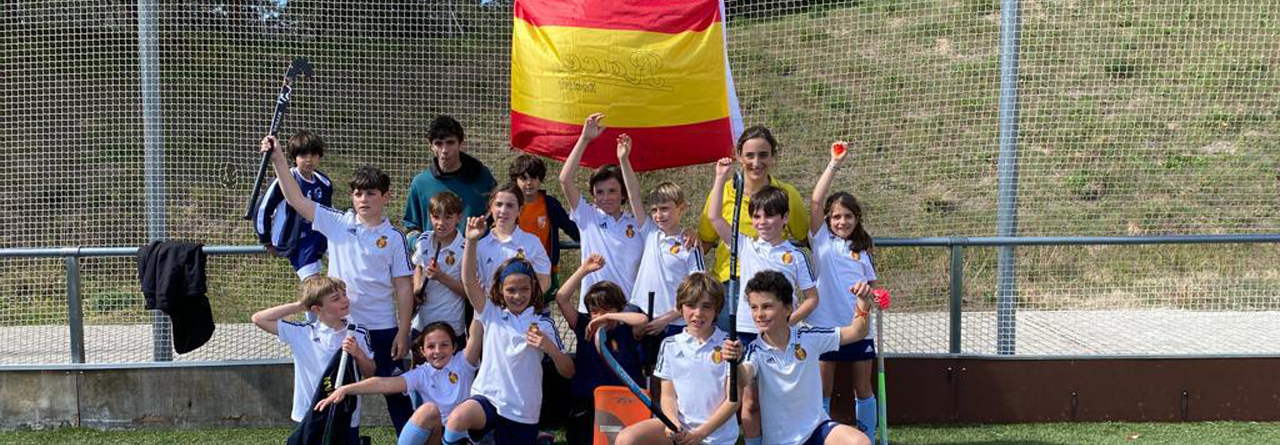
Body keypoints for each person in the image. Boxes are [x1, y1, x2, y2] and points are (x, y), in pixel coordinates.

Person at [262, 135, 417, 433]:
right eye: (358, 193)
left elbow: (403, 287)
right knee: (336, 396)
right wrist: (279, 159)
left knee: (395, 393)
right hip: (342, 329)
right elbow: (296, 199)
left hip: (382, 327)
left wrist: (403, 330)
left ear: (386, 196)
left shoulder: (394, 238)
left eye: (371, 193)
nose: (364, 199)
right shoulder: (338, 222)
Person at [705, 157, 819, 443]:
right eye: (757, 217)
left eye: (769, 216)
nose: (762, 222)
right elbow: (715, 218)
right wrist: (720, 177)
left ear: (783, 219)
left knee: (778, 398)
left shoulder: (796, 255)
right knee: (750, 403)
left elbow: (812, 299)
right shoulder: (744, 245)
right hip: (746, 331)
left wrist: (787, 321)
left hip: (780, 337)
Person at [443, 216, 574, 444]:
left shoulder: (543, 324)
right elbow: (468, 282)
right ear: (500, 290)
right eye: (511, 290)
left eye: (524, 289)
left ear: (533, 288)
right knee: (457, 419)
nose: (517, 295)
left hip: (522, 411)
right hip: (487, 398)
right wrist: (471, 241)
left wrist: (550, 348)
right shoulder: (491, 312)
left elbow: (569, 371)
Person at [724, 271, 873, 445]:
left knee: (859, 442)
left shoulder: (809, 337)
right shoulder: (754, 351)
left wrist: (863, 301)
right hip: (781, 441)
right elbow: (743, 378)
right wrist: (737, 360)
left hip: (818, 429)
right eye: (754, 307)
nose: (759, 314)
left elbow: (858, 332)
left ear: (788, 308)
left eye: (767, 306)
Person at [698, 126, 809, 332]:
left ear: (773, 156)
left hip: (773, 285)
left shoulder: (787, 194)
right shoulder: (721, 193)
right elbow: (704, 241)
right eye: (749, 155)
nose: (756, 163)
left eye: (763, 155)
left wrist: (855, 244)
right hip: (732, 283)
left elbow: (807, 238)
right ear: (739, 156)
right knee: (734, 354)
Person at [615, 272, 741, 445]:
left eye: (706, 306)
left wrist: (699, 434)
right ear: (680, 308)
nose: (698, 313)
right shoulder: (670, 345)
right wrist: (672, 422)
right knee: (626, 439)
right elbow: (668, 396)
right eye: (691, 305)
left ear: (717, 309)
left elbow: (733, 401)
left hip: (715, 436)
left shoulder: (729, 345)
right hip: (679, 429)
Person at [809, 142, 881, 436]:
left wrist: (872, 294)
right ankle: (821, 436)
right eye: (836, 216)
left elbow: (875, 292)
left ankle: (868, 435)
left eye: (848, 216)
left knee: (862, 388)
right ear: (827, 219)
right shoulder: (821, 240)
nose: (842, 221)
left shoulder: (862, 249)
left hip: (859, 326)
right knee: (823, 388)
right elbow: (815, 200)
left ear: (857, 219)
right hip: (824, 327)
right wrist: (833, 164)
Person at [251, 276, 376, 444]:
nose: (344, 300)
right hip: (308, 412)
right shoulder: (302, 332)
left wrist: (358, 353)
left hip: (345, 412)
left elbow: (370, 372)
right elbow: (258, 319)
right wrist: (302, 305)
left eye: (344, 294)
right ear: (317, 309)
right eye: (336, 298)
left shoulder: (357, 332)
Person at [315, 321, 481, 445]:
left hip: (460, 436)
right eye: (431, 346)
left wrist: (479, 295)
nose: (437, 351)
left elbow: (477, 330)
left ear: (454, 347)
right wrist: (345, 389)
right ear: (423, 351)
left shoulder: (464, 363)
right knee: (428, 410)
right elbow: (384, 384)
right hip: (435, 436)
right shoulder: (421, 373)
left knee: (457, 414)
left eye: (444, 345)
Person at [554, 254, 648, 445]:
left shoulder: (626, 329)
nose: (599, 316)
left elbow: (643, 320)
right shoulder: (584, 326)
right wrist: (584, 270)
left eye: (606, 310)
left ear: (619, 309)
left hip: (624, 401)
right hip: (589, 401)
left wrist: (612, 318)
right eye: (595, 312)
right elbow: (561, 298)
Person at [558, 114, 646, 313]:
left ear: (623, 193)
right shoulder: (587, 217)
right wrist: (584, 139)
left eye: (612, 191)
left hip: (629, 311)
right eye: (599, 192)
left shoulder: (637, 222)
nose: (606, 197)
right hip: (592, 311)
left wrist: (623, 159)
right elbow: (565, 180)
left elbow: (636, 195)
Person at [404, 115, 498, 245]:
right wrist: (420, 246)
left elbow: (496, 218)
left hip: (474, 257)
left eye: (450, 142)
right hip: (433, 260)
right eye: (438, 143)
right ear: (430, 145)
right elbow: (412, 226)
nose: (444, 150)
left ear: (461, 143)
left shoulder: (482, 177)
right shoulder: (420, 183)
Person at [254, 130, 332, 279]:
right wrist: (266, 241)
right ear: (294, 157)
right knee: (313, 285)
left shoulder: (324, 182)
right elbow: (262, 210)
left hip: (322, 236)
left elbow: (328, 211)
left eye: (314, 155)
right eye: (303, 155)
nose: (309, 160)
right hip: (298, 241)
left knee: (344, 270)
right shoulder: (284, 181)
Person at [510, 153, 581, 293]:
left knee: (541, 309)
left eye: (534, 177)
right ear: (515, 180)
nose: (529, 183)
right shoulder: (509, 204)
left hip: (544, 271)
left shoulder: (550, 204)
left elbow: (572, 229)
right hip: (513, 270)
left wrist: (593, 237)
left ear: (540, 179)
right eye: (523, 178)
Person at [474, 183, 553, 296]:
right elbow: (471, 284)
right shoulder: (479, 246)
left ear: (520, 210)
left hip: (521, 312)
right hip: (487, 311)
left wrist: (521, 302)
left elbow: (544, 280)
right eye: (498, 204)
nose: (503, 210)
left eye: (510, 205)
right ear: (491, 207)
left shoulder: (532, 243)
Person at [411, 191, 469, 339]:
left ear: (458, 218)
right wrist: (417, 288)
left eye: (448, 217)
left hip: (451, 327)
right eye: (436, 217)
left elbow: (469, 292)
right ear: (430, 216)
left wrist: (441, 276)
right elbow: (418, 266)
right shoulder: (423, 239)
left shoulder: (465, 249)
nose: (441, 223)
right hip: (421, 324)